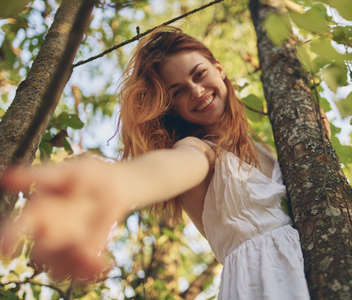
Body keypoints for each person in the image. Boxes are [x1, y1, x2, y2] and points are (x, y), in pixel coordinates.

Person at [0, 26, 310, 299]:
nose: (197, 92)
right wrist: (115, 185)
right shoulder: (197, 150)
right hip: (264, 284)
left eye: (199, 75)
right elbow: (168, 169)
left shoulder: (267, 148)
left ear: (219, 69)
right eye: (179, 92)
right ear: (172, 107)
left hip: (313, 269)